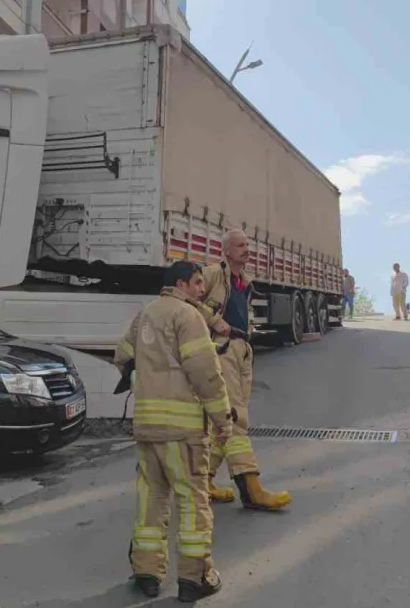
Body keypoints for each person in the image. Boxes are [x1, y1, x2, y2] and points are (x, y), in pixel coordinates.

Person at [114, 261, 233, 602]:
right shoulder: (189, 316)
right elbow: (205, 374)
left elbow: (122, 355)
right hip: (182, 432)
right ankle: (195, 579)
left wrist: (140, 377)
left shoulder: (146, 314)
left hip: (147, 428)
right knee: (193, 502)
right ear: (181, 284)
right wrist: (223, 418)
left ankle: (147, 573)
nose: (201, 289)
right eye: (197, 283)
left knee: (151, 500)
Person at [194, 229, 292, 510]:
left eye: (248, 245)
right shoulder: (212, 273)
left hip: (241, 351)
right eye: (240, 245)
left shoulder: (243, 281)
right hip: (221, 350)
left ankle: (204, 483)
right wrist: (213, 320)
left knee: (220, 424)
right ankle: (251, 488)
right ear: (225, 251)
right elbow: (186, 300)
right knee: (234, 416)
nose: (246, 249)